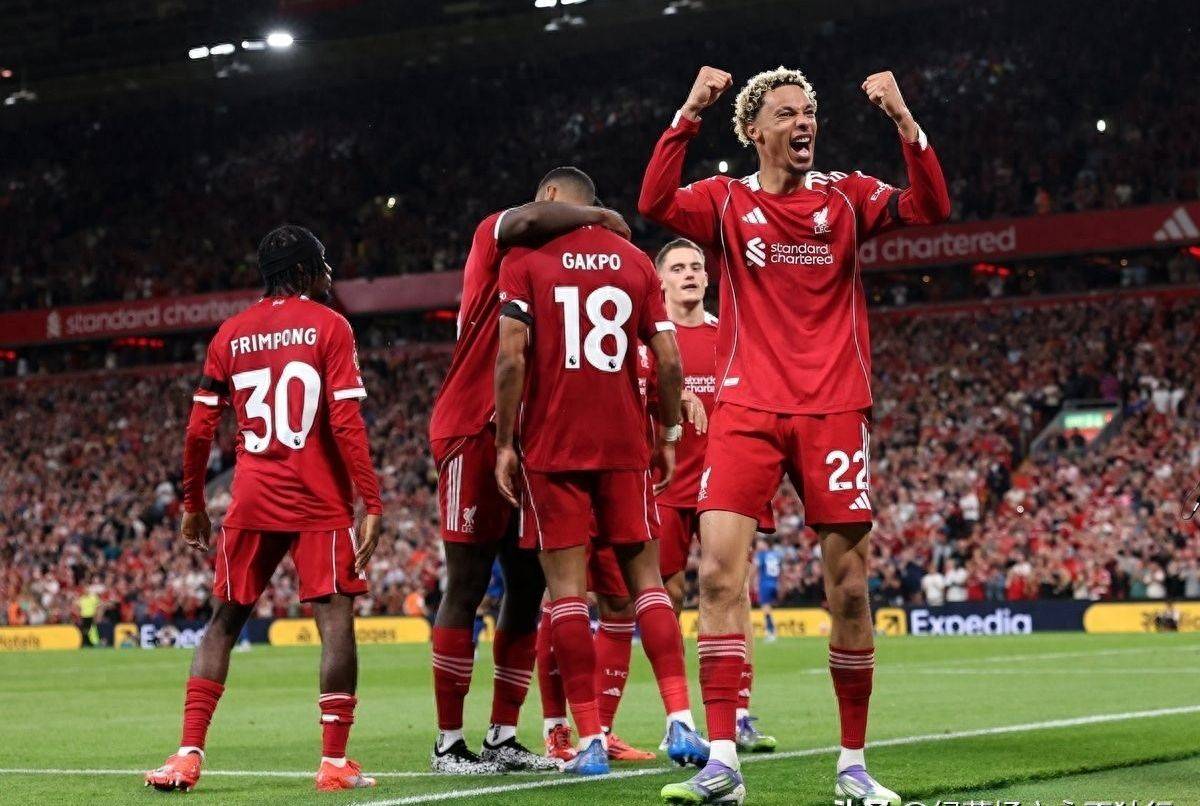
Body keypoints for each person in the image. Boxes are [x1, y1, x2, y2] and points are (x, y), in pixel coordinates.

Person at [641, 65, 950, 805]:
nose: (804, 122)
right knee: (718, 577)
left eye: (809, 111)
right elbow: (654, 202)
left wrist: (903, 120)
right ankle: (723, 761)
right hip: (747, 411)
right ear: (755, 131)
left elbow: (931, 207)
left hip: (834, 409)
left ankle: (853, 765)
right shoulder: (726, 201)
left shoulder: (847, 195)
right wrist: (688, 111)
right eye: (786, 113)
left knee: (850, 590)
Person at [145, 225, 385, 792]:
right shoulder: (331, 325)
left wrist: (193, 503)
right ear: (303, 272)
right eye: (322, 264)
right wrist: (371, 500)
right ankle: (333, 763)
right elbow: (346, 421)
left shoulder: (229, 333)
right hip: (318, 499)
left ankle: (187, 755)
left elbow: (199, 428)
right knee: (335, 621)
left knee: (223, 623)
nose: (329, 274)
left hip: (252, 495)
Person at [493, 166, 702, 776]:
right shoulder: (636, 262)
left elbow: (511, 358)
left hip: (553, 446)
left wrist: (505, 442)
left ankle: (587, 739)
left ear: (553, 200)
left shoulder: (526, 260)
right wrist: (667, 434)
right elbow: (668, 360)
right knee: (648, 584)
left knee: (565, 595)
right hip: (623, 445)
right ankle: (680, 718)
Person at [426, 176, 630, 773]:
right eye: (573, 216)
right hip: (472, 427)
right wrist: (603, 216)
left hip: (530, 440)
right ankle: (447, 743)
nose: (580, 231)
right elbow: (528, 221)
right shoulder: (498, 239)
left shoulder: (558, 272)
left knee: (526, 587)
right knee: (466, 583)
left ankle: (503, 735)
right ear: (550, 200)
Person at [753, 538, 782, 642]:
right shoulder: (775, 554)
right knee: (769, 608)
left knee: (766, 608)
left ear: (765, 544)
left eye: (760, 544)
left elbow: (755, 569)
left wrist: (752, 581)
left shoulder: (761, 555)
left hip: (765, 584)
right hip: (775, 583)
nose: (758, 546)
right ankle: (771, 631)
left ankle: (771, 632)